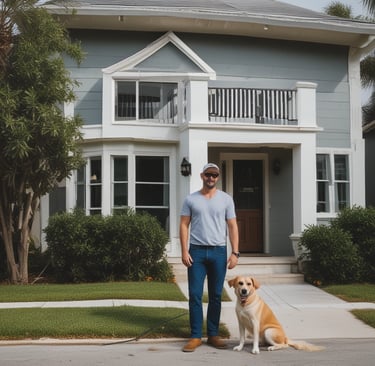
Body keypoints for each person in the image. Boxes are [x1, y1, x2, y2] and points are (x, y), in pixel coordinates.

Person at [179, 162, 239, 352]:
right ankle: (196, 336)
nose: (210, 178)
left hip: (218, 252)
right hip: (196, 252)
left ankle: (213, 334)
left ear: (218, 177)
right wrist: (184, 251)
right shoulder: (191, 199)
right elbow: (183, 225)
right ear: (201, 175)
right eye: (207, 175)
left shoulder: (226, 200)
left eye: (214, 175)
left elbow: (232, 226)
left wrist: (235, 252)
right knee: (195, 295)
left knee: (215, 295)